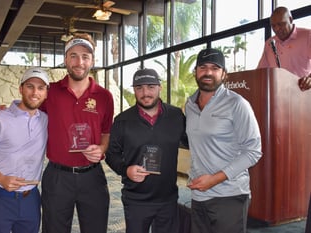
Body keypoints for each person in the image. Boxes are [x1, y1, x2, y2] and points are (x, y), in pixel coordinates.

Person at [0, 33, 114, 233]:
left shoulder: (105, 96)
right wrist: (2, 108)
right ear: (65, 60)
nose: (79, 62)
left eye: (85, 56)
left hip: (92, 176)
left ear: (92, 61)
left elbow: (106, 132)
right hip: (57, 177)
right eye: (73, 55)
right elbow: (28, 104)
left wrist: (102, 148)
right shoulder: (51, 92)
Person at [185, 48, 262, 233]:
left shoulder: (237, 104)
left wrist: (214, 179)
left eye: (215, 68)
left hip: (230, 195)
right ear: (195, 72)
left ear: (224, 74)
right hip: (199, 194)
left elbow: (253, 151)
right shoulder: (189, 105)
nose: (208, 72)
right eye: (203, 67)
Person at [105, 68, 187, 233]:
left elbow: (194, 143)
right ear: (134, 90)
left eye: (150, 87)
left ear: (160, 87)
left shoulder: (176, 116)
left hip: (168, 199)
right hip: (136, 200)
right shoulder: (122, 121)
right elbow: (111, 155)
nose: (145, 93)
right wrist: (125, 170)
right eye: (139, 88)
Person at [0, 67, 50, 233]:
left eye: (41, 88)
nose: (35, 92)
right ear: (21, 89)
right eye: (30, 86)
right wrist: (1, 179)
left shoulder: (46, 120)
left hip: (31, 198)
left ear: (46, 94)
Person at [257, 6, 311, 91]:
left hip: (303, 94)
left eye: (281, 24)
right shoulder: (269, 43)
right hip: (278, 95)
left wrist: (309, 79)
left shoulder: (307, 36)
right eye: (273, 26)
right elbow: (261, 72)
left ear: (290, 19)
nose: (277, 29)